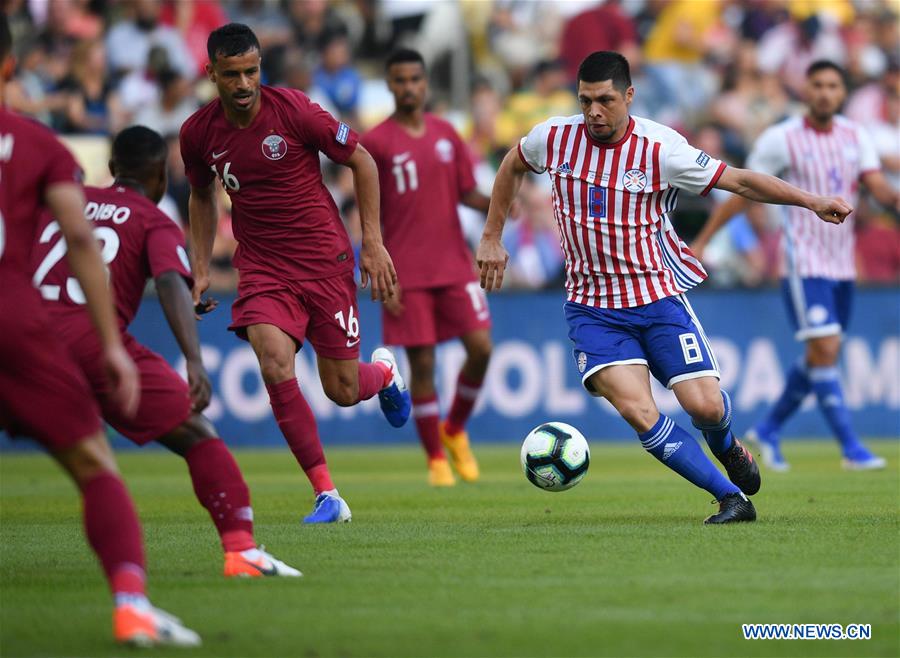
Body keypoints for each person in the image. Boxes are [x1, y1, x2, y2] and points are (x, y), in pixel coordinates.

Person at [477, 51, 854, 524]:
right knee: (639, 411)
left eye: (605, 100)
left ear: (629, 96)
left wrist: (812, 200)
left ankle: (726, 444)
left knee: (705, 407)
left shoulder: (661, 149)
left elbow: (738, 181)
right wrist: (491, 235)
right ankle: (730, 498)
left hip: (656, 297)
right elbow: (513, 164)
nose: (594, 111)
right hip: (592, 308)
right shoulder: (553, 137)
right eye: (585, 100)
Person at [0, 17, 199, 647]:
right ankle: (131, 606)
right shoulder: (37, 144)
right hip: (15, 319)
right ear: (12, 66)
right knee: (94, 464)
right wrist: (110, 343)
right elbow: (79, 237)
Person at [32, 125, 302, 578]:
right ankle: (241, 551)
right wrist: (194, 360)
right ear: (161, 177)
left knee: (88, 457)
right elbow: (172, 283)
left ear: (113, 168)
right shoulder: (152, 218)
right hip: (92, 342)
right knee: (198, 435)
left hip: (27, 339)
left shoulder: (68, 200)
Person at [180, 23, 410, 524]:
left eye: (251, 72)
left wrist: (371, 242)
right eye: (231, 74)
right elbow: (200, 195)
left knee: (343, 390)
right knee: (273, 361)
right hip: (262, 266)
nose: (243, 84)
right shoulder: (198, 133)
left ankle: (386, 373)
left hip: (324, 262)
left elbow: (363, 162)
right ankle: (327, 494)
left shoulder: (296, 110)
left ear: (260, 67)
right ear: (211, 73)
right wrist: (199, 267)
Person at [692, 60, 898, 472]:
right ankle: (851, 448)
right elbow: (741, 191)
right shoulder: (780, 139)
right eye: (817, 84)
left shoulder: (856, 136)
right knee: (825, 349)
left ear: (842, 93)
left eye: (833, 85)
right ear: (805, 90)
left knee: (822, 354)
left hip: (841, 267)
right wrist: (703, 240)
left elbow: (876, 187)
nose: (825, 92)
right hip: (804, 263)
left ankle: (768, 428)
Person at [362, 49, 492, 487]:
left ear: (425, 83)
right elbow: (365, 209)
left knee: (482, 349)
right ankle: (436, 458)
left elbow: (468, 192)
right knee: (423, 365)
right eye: (400, 80)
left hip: (454, 264)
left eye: (415, 79)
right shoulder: (376, 143)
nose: (409, 87)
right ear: (389, 85)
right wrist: (379, 264)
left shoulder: (446, 133)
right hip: (406, 273)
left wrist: (504, 203)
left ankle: (454, 429)